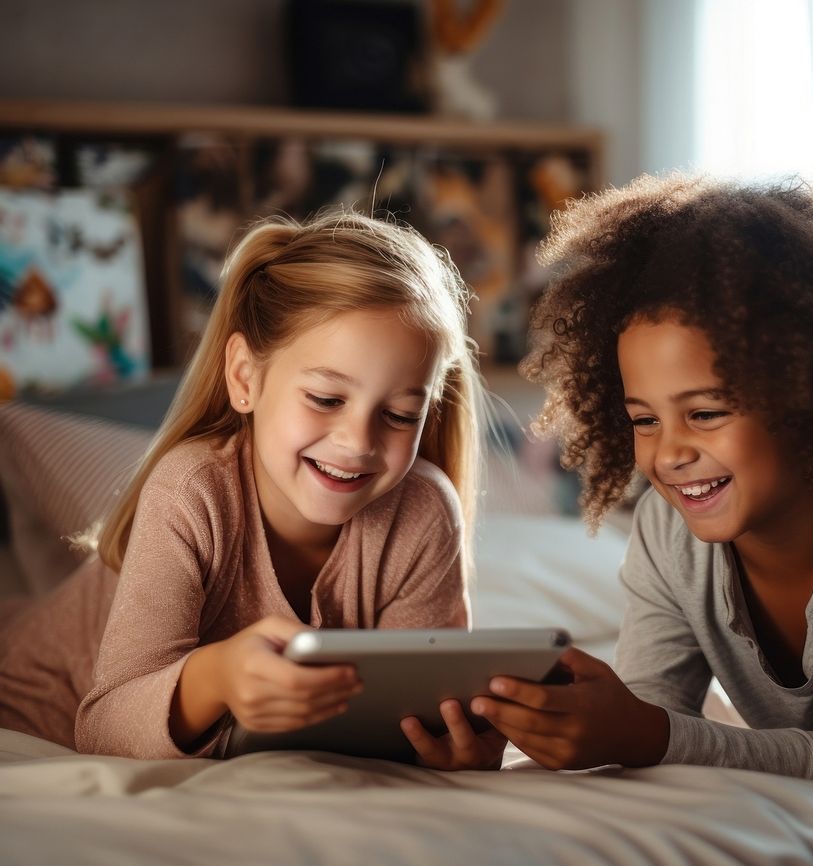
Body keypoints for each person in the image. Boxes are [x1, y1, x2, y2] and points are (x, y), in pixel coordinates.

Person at [469, 173, 813, 780]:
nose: (669, 453)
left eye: (705, 413)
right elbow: (651, 713)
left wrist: (651, 733)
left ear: (808, 401)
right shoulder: (666, 528)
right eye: (643, 419)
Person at [0, 209, 507, 769]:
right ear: (245, 378)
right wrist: (217, 677)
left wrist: (454, 743)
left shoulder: (421, 510)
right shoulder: (192, 491)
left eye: (399, 414)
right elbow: (104, 726)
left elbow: (411, 718)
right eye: (326, 399)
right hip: (21, 693)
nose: (358, 441)